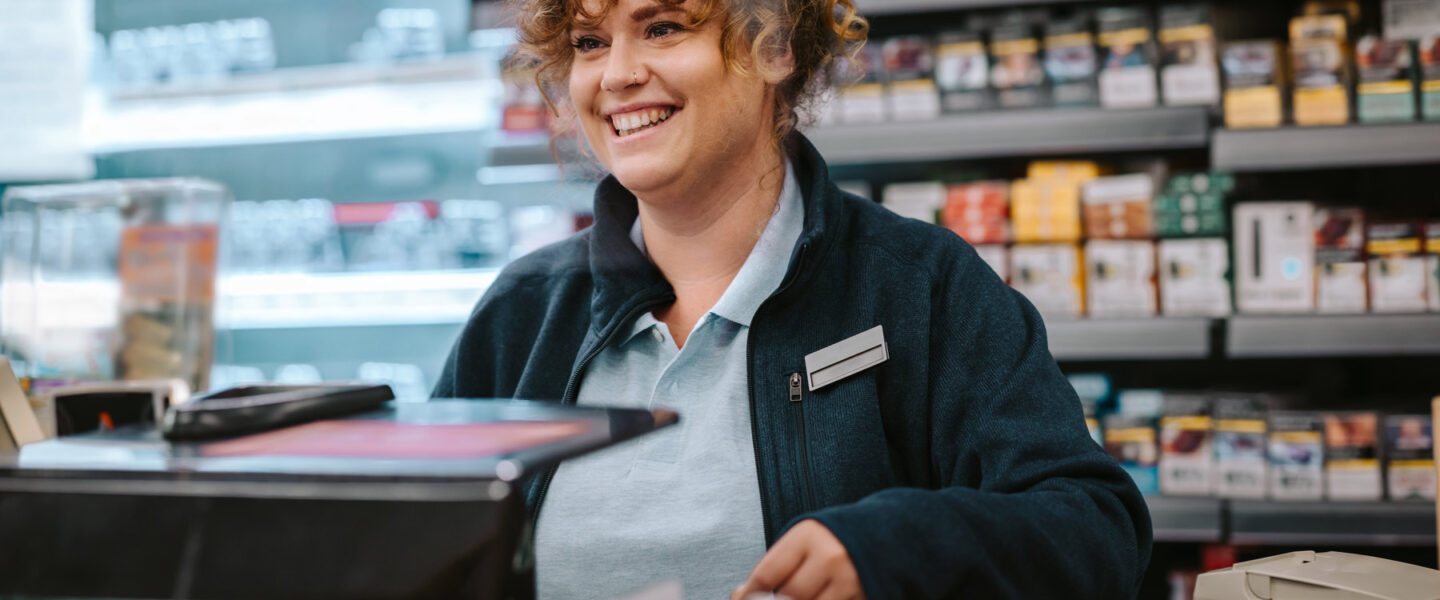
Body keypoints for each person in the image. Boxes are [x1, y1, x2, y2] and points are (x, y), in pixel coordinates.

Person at [432, 0, 1153, 597]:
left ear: (774, 46)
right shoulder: (523, 312)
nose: (618, 74)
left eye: (663, 27)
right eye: (590, 43)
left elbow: (1095, 526)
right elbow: (426, 544)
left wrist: (895, 548)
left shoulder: (917, 284)